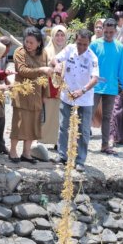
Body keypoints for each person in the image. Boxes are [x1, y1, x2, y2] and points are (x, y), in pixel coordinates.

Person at [51, 29, 99, 172]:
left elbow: (95, 79)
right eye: (79, 44)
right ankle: (62, 156)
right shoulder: (69, 49)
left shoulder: (92, 58)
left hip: (84, 99)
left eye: (85, 44)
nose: (81, 47)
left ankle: (80, 161)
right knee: (63, 126)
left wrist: (82, 90)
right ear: (75, 41)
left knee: (83, 131)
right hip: (67, 96)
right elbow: (54, 59)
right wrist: (57, 65)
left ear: (89, 43)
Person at [9, 27, 52, 163]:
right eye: (26, 41)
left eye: (31, 42)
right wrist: (40, 69)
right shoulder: (19, 52)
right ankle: (13, 151)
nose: (28, 45)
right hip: (22, 93)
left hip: (37, 94)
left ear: (39, 43)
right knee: (19, 123)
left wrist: (46, 93)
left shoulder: (43, 54)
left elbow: (46, 76)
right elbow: (22, 70)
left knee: (34, 125)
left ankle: (26, 153)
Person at [89, 18, 123, 155]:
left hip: (111, 88)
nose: (107, 34)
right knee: (88, 115)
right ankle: (79, 144)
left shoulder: (119, 47)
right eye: (105, 31)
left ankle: (105, 145)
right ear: (103, 28)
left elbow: (122, 68)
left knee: (107, 117)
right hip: (94, 86)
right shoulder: (94, 45)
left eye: (111, 32)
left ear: (115, 31)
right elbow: (87, 64)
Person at [40, 25, 67, 147]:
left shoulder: (69, 51)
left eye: (62, 35)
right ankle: (41, 142)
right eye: (57, 35)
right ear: (53, 36)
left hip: (64, 90)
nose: (60, 38)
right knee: (47, 117)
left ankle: (59, 142)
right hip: (49, 89)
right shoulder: (46, 51)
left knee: (61, 118)